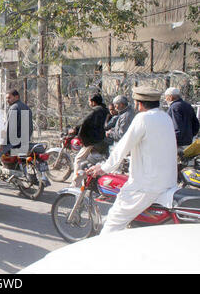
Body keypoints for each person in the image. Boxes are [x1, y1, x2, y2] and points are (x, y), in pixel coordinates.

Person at [88, 86, 177, 234]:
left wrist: (103, 168)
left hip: (146, 186)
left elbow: (123, 146)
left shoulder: (143, 118)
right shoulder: (165, 117)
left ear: (139, 104)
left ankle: (102, 253)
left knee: (113, 221)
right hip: (168, 183)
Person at [70, 93, 108, 187]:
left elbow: (85, 121)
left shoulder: (95, 111)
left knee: (78, 159)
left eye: (89, 101)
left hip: (93, 140)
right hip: (102, 139)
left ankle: (75, 183)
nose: (89, 103)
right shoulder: (105, 110)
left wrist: (75, 129)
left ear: (93, 102)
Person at [0, 89, 33, 155]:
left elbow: (9, 128)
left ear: (17, 97)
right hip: (25, 141)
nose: (7, 100)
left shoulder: (14, 108)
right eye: (6, 98)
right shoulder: (26, 107)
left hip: (15, 143)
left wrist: (3, 143)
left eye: (9, 98)